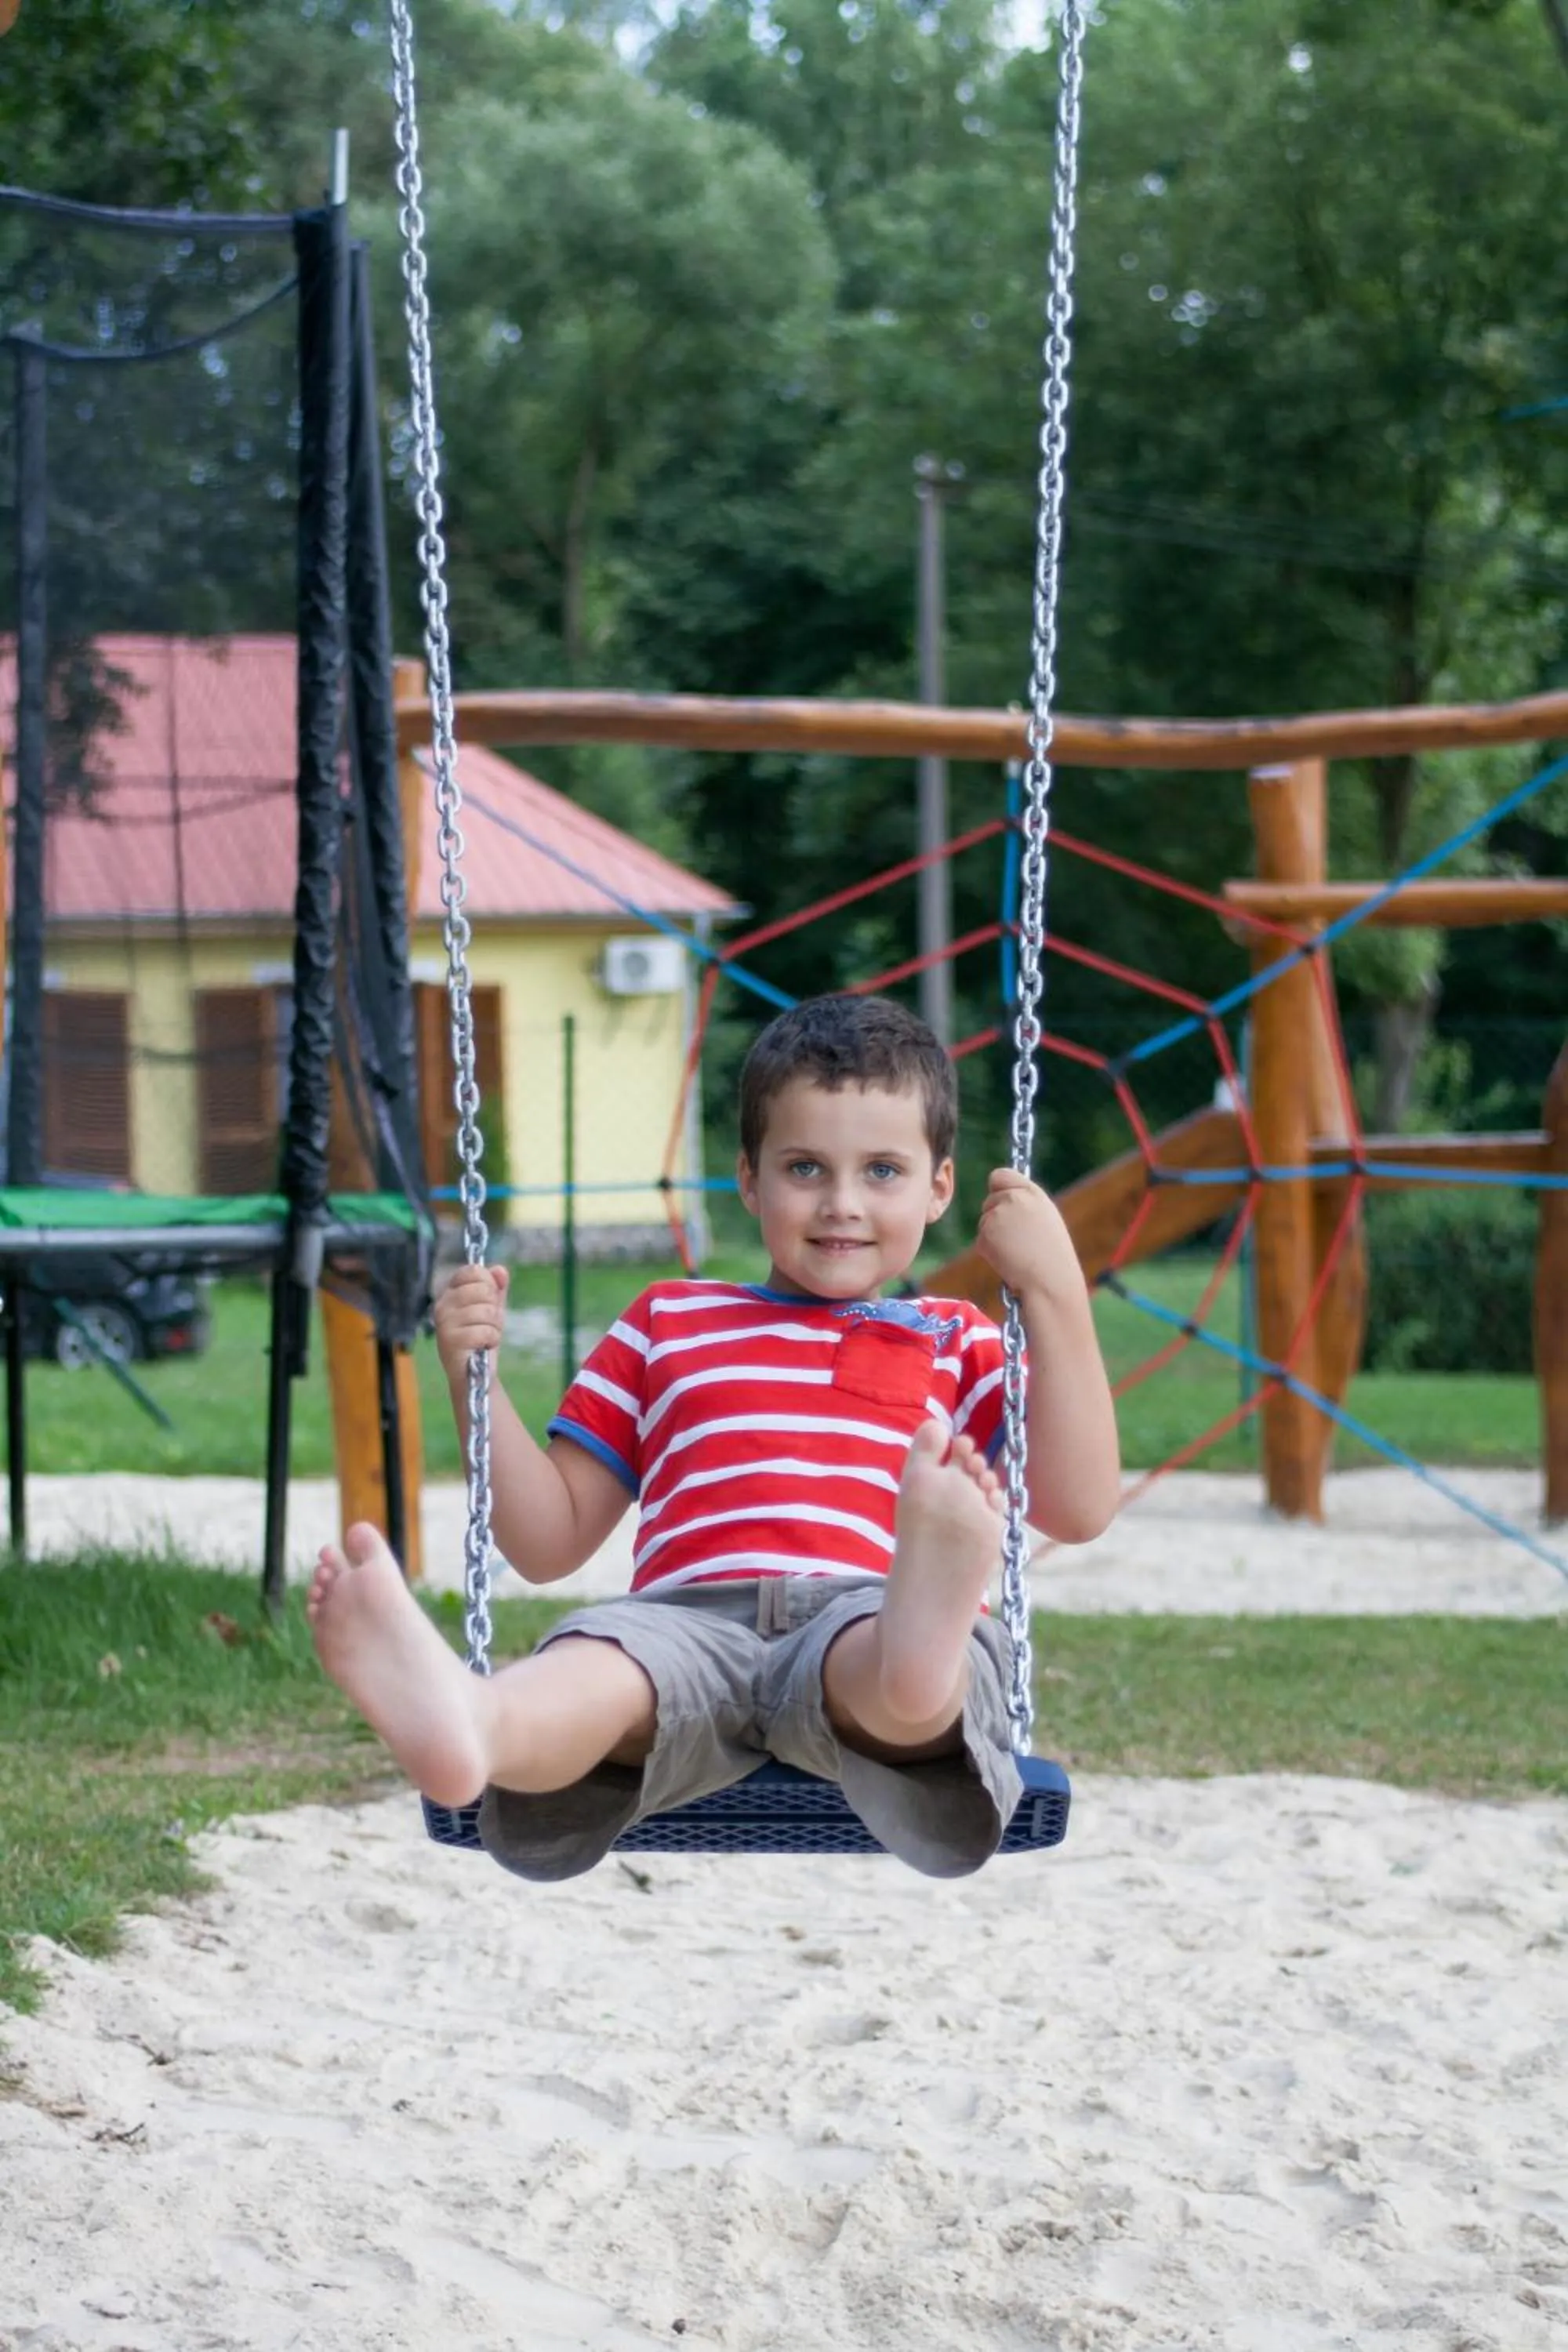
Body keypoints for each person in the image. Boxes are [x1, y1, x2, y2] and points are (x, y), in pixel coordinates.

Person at [308, 993, 1120, 1878]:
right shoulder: (669, 1322)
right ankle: (473, 1726)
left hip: (860, 1611)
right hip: (685, 1623)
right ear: (748, 1177)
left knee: (886, 1666)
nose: (841, 1203)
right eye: (804, 1168)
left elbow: (1076, 1507)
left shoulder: (956, 1338)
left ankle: (931, 1598)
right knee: (597, 1667)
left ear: (938, 1188)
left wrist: (1052, 1293)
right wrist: (478, 1383)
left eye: (881, 1171)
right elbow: (547, 1542)